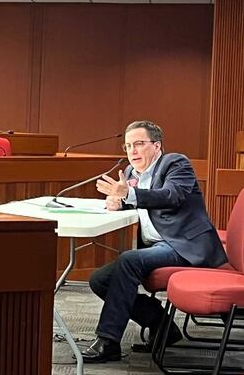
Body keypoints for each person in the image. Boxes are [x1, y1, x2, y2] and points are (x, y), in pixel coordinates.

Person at [81, 120, 227, 363]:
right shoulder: (128, 173)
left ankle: (108, 341)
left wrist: (128, 195)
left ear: (157, 146)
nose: (132, 151)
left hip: (184, 246)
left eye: (139, 144)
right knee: (99, 280)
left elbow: (171, 196)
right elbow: (136, 201)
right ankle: (163, 326)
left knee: (128, 261)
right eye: (127, 146)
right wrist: (118, 203)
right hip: (157, 247)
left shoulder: (175, 163)